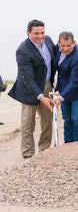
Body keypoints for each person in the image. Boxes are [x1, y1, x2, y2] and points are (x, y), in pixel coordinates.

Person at [8, 19, 56, 159]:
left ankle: (44, 149)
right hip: (29, 88)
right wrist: (40, 97)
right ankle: (28, 154)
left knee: (47, 120)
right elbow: (27, 78)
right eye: (36, 34)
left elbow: (57, 54)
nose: (40, 36)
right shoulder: (22, 51)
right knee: (28, 124)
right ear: (28, 33)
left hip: (46, 85)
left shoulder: (48, 41)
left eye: (42, 32)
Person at [54, 31, 78, 143]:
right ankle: (68, 144)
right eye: (63, 46)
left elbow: (74, 82)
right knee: (67, 119)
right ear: (58, 43)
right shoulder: (57, 50)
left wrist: (60, 97)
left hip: (77, 91)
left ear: (74, 43)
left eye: (68, 45)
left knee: (76, 118)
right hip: (63, 89)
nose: (66, 48)